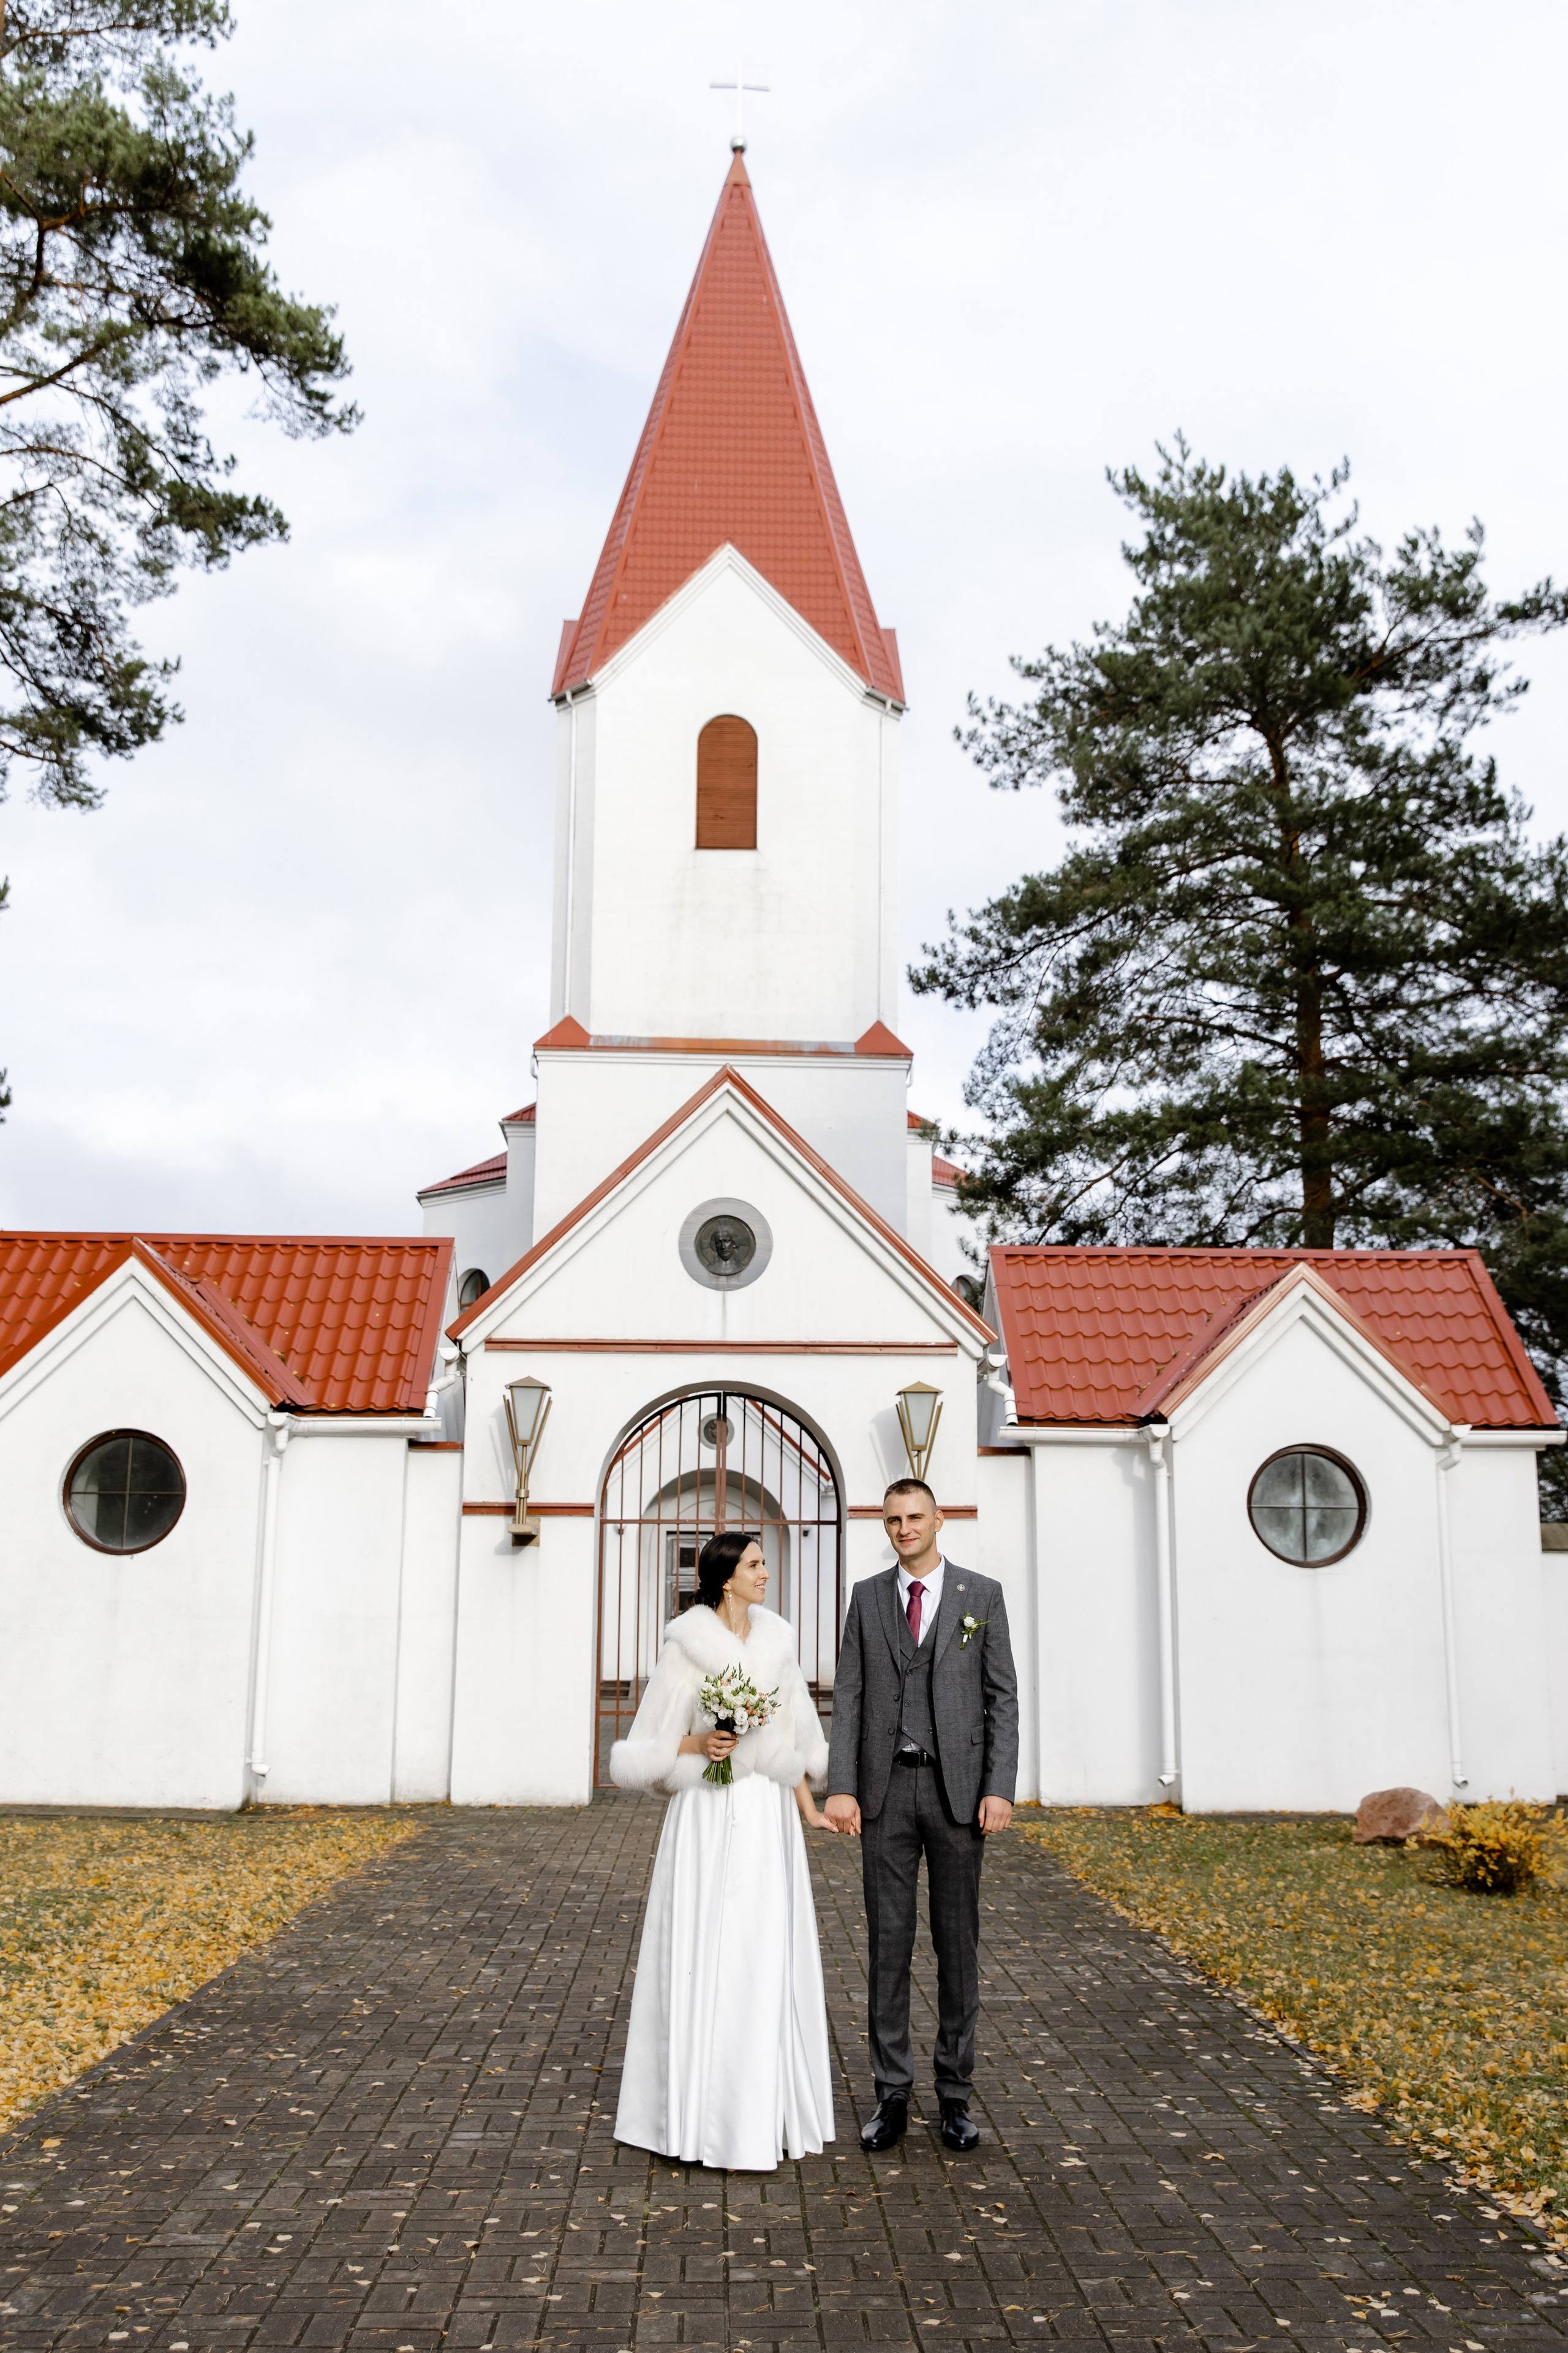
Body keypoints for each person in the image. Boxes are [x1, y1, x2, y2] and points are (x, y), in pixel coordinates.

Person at [609, 1529, 837, 2171]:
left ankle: (757, 2112)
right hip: (706, 1813)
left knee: (758, 1950)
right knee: (703, 1946)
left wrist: (812, 1810)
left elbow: (792, 1737)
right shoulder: (687, 1644)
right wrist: (700, 1744)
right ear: (726, 1575)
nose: (766, 1573)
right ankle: (687, 2116)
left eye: (765, 1564)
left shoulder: (779, 1641)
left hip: (766, 1813)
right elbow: (650, 1740)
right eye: (756, 1565)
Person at [825, 1478, 1019, 2153]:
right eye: (892, 1520)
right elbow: (848, 1696)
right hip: (885, 1793)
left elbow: (1002, 1700)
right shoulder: (867, 1598)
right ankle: (891, 2094)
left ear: (938, 1520)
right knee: (887, 1946)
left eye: (914, 1517)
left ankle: (956, 2097)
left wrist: (999, 1787)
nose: (903, 1528)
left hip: (958, 1793)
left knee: (956, 1946)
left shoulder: (980, 1595)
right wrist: (841, 1785)